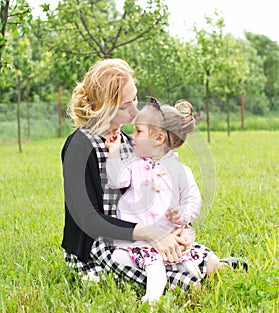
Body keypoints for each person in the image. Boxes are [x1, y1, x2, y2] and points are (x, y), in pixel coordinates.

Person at [61, 58, 246, 294]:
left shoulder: (129, 143)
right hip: (96, 247)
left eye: (134, 99)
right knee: (140, 263)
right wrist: (150, 234)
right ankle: (186, 279)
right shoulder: (79, 146)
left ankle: (202, 263)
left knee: (167, 247)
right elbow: (88, 220)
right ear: (104, 107)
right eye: (125, 106)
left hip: (134, 235)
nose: (135, 111)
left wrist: (181, 229)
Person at [105, 98, 212, 302]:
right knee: (119, 257)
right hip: (139, 239)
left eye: (138, 131)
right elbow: (116, 178)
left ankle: (152, 298)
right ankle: (184, 270)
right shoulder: (134, 165)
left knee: (155, 264)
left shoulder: (180, 171)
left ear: (158, 138)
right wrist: (114, 151)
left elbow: (193, 199)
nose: (132, 137)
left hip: (165, 237)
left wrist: (182, 216)